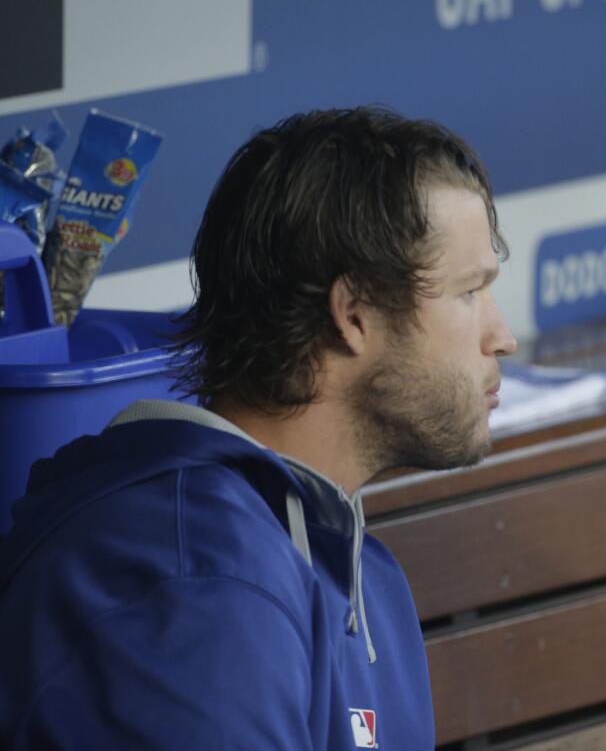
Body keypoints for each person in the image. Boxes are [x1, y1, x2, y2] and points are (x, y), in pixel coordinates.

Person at [0, 107, 517, 749]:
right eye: (469, 292)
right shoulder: (193, 580)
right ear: (354, 315)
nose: (504, 337)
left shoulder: (355, 567)